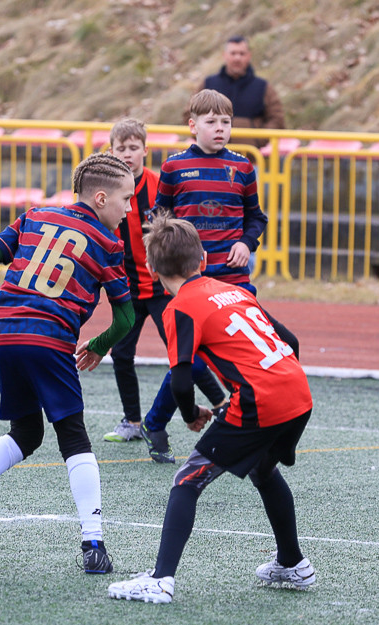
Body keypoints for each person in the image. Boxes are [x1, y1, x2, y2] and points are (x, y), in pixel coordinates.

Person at [0, 153, 138, 574]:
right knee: (73, 436)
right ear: (100, 198)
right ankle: (94, 544)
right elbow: (126, 317)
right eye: (126, 199)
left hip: (3, 330)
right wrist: (99, 345)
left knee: (26, 432)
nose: (129, 209)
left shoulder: (34, 215)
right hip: (48, 337)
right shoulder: (109, 243)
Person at [107, 214, 314, 604]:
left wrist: (189, 415)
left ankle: (160, 580)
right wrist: (279, 388)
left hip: (260, 401)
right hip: (298, 392)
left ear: (151, 270)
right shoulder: (234, 290)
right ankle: (292, 562)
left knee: (187, 480)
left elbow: (181, 380)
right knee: (263, 469)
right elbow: (291, 341)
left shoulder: (180, 307)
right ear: (203, 258)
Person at [140, 89, 268, 462]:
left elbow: (256, 217)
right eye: (211, 122)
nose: (220, 128)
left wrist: (246, 242)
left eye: (226, 122)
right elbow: (158, 219)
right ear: (193, 125)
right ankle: (156, 423)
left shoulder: (243, 167)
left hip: (233, 277)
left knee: (245, 348)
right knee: (192, 357)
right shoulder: (174, 167)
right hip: (189, 279)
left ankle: (246, 421)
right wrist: (162, 260)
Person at [100, 117, 227, 455]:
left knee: (185, 352)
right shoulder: (107, 192)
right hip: (126, 289)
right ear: (111, 152)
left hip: (160, 287)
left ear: (145, 150)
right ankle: (132, 420)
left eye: (133, 148)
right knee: (121, 353)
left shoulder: (158, 186)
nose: (127, 154)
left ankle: (221, 404)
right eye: (121, 148)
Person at [193, 35, 285, 149]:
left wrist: (258, 140)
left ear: (249, 56)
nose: (237, 58)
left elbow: (277, 118)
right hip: (212, 156)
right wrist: (205, 138)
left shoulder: (263, 87)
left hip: (251, 157)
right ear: (224, 55)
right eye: (233, 53)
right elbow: (191, 113)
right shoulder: (208, 84)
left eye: (242, 54)